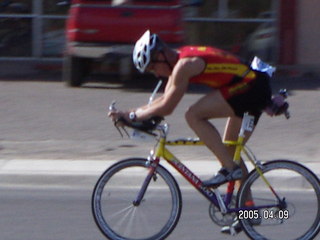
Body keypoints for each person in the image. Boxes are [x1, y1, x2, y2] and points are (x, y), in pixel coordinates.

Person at [108, 30, 274, 233]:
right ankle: (249, 213)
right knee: (229, 149)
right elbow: (161, 101)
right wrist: (131, 114)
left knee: (193, 115)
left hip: (250, 87)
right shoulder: (178, 61)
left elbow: (168, 107)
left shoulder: (184, 66)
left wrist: (132, 117)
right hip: (250, 85)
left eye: (153, 68)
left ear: (161, 55)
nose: (157, 74)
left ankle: (230, 170)